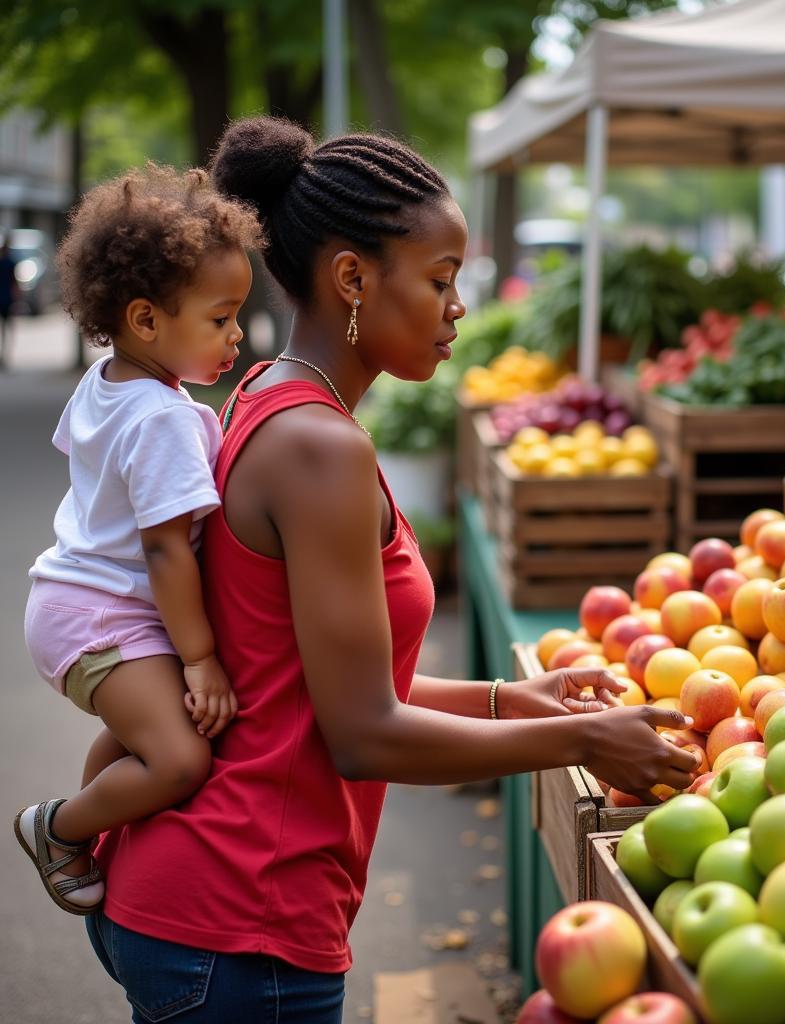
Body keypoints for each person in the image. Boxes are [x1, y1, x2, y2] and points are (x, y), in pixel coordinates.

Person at [84, 118, 699, 1023]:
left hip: (202, 909)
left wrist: (513, 697)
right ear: (352, 279)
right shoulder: (318, 448)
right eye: (442, 281)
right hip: (240, 927)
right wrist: (581, 742)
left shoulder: (267, 393)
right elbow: (363, 733)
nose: (458, 307)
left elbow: (309, 681)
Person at [15, 166, 261, 917]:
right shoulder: (163, 419)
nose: (238, 334)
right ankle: (55, 827)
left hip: (73, 601)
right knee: (182, 758)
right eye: (220, 319)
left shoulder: (111, 380)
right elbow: (165, 549)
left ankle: (91, 819)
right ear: (147, 321)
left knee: (141, 743)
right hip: (101, 621)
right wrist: (201, 657)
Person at [0, 237, 18, 367]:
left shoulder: (9, 263)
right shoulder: (11, 262)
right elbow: (15, 284)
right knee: (6, 329)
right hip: (6, 299)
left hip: (5, 299)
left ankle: (3, 355)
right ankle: (5, 354)